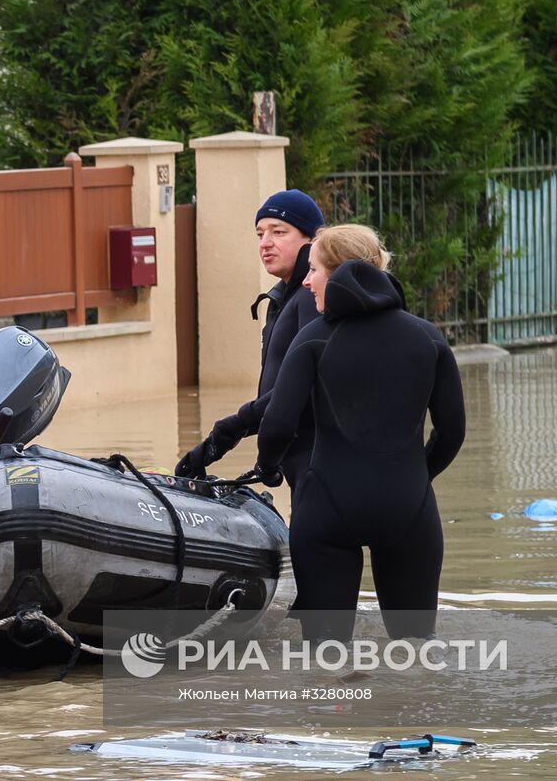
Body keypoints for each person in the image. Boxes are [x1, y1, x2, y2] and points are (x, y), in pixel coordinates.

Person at [255, 224, 465, 642]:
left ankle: (337, 708)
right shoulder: (427, 337)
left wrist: (268, 466)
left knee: (325, 660)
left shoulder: (312, 338)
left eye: (313, 269)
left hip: (326, 510)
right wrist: (411, 475)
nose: (308, 280)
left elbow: (277, 425)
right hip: (408, 509)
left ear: (340, 273)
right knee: (415, 653)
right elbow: (452, 432)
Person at [175, 189, 323, 486]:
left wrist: (230, 429)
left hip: (316, 461)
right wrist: (220, 441)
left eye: (278, 232)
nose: (266, 243)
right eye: (260, 234)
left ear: (312, 239)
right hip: (297, 460)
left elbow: (302, 388)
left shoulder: (312, 297)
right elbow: (278, 395)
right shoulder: (284, 298)